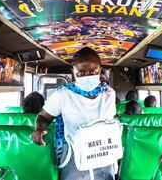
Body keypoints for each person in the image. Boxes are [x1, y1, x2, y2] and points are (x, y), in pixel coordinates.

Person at [31, 47, 116, 180]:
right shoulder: (62, 94)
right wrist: (40, 128)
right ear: (73, 72)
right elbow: (44, 116)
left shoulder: (109, 93)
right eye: (81, 73)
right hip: (75, 152)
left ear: (100, 69)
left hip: (104, 150)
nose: (87, 76)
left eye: (93, 72)